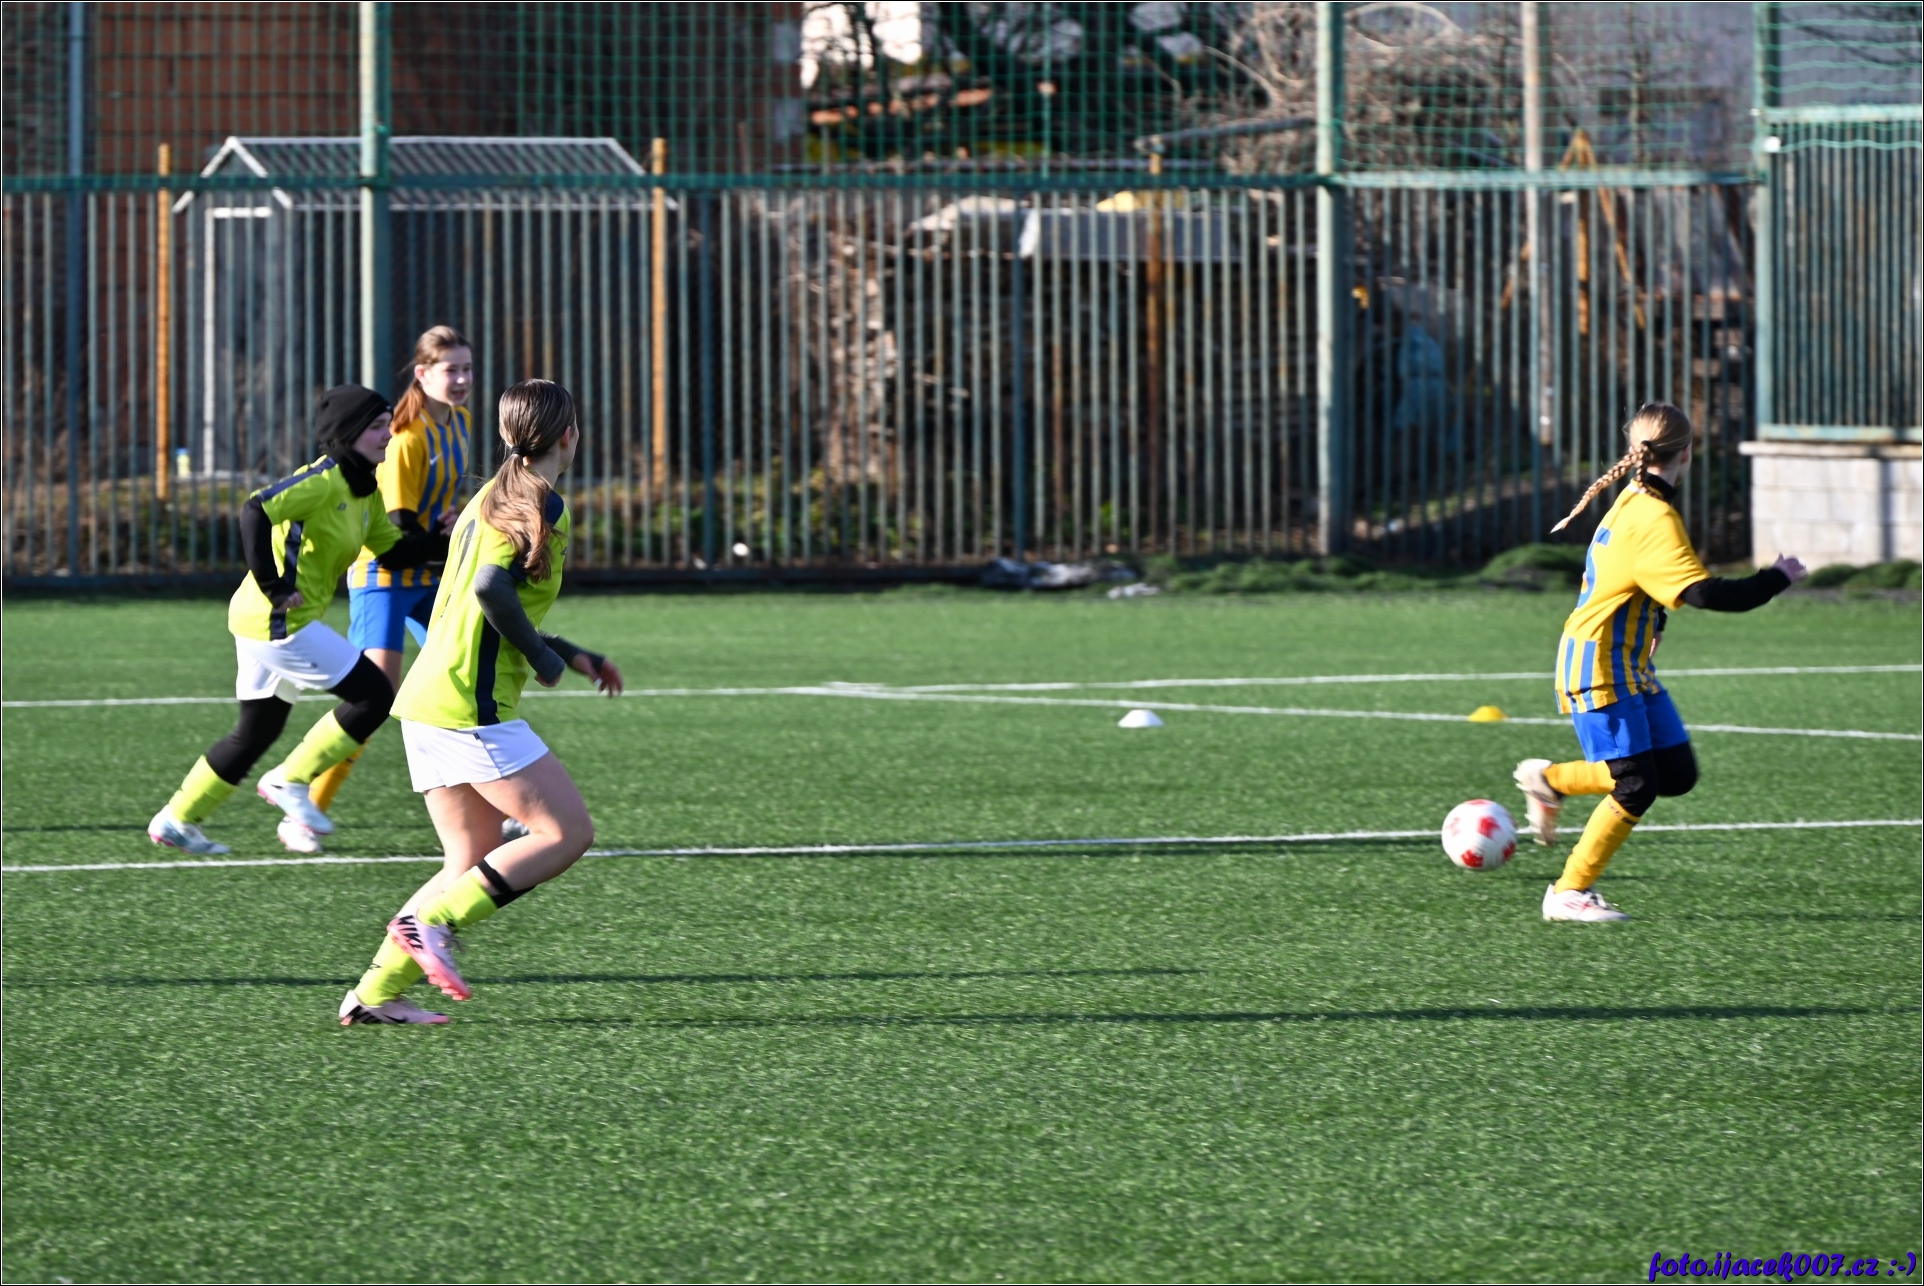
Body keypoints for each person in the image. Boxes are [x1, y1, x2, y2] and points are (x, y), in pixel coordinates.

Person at [340, 379, 624, 1025]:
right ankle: (433, 922)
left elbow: (488, 600)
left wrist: (568, 651)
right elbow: (493, 590)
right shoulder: (544, 503)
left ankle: (374, 996)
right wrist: (545, 660)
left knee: (468, 860)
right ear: (570, 436)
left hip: (428, 698)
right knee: (567, 833)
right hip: (469, 706)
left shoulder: (488, 497)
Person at [1514, 402, 1808, 922]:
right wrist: (1776, 577)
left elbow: (1639, 577)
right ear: (1688, 452)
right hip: (1598, 662)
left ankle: (1552, 780)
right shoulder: (1653, 515)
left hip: (1626, 661)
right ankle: (1567, 892)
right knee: (1635, 784)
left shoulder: (1638, 499)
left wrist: (1656, 624)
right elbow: (1706, 594)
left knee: (1674, 773)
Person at [147, 386, 448, 856]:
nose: (387, 435)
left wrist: (444, 538)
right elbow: (254, 510)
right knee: (374, 696)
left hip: (269, 623)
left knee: (256, 732)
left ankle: (177, 819)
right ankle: (289, 780)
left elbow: (392, 553)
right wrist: (273, 585)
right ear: (347, 433)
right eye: (375, 427)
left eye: (387, 424)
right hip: (278, 622)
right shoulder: (323, 481)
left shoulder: (364, 491)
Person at [284, 326, 475, 855]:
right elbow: (397, 529)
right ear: (423, 374)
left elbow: (434, 515)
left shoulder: (459, 422)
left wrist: (450, 523)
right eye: (451, 370)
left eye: (467, 368)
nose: (462, 379)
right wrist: (445, 536)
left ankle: (497, 811)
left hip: (428, 576)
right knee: (373, 701)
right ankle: (303, 810)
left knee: (466, 685)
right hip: (385, 580)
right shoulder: (408, 437)